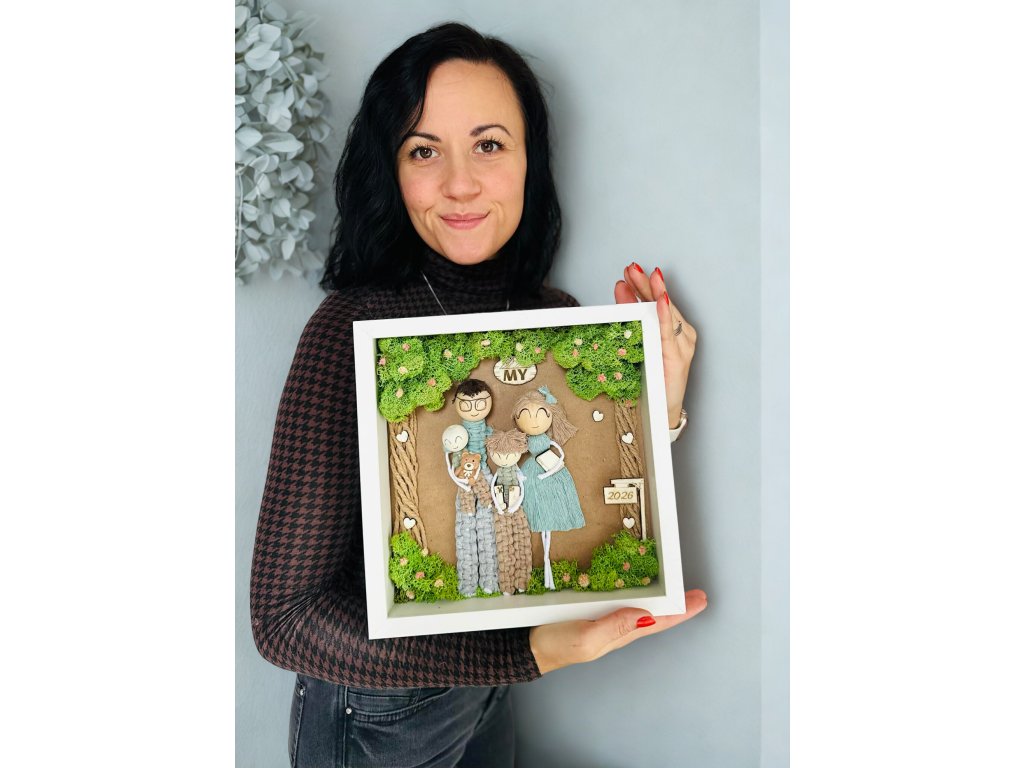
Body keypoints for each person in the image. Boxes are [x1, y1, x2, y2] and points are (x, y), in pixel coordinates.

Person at [250, 21, 706, 768]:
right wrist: (525, 656)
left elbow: (592, 492)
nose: (459, 183)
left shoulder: (555, 318)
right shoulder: (349, 329)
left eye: (489, 144)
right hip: (378, 706)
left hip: (491, 691)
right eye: (423, 150)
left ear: (531, 160)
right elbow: (285, 621)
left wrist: (660, 406)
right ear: (390, 171)